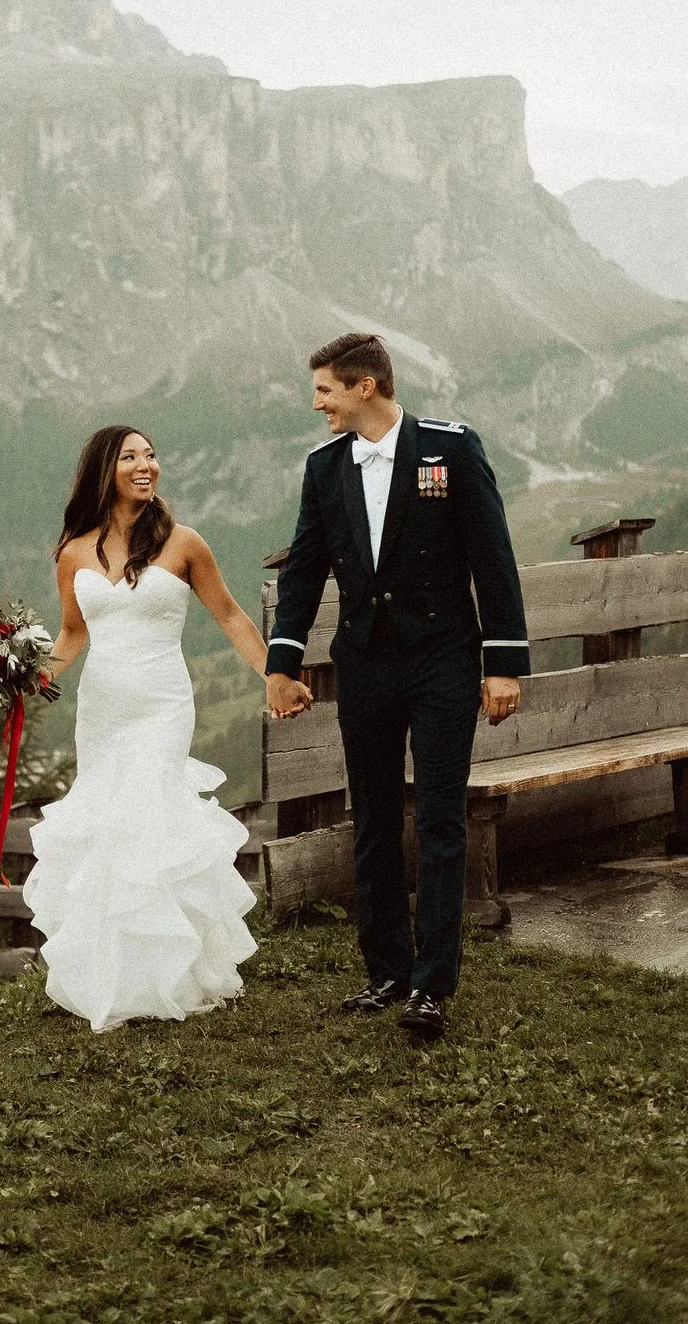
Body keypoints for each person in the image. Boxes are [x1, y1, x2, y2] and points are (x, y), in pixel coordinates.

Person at [265, 334, 529, 1039]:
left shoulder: (451, 448)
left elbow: (492, 555)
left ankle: (431, 986)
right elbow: (304, 569)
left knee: (440, 818)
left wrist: (503, 663)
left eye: (324, 389)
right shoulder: (324, 468)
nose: (316, 402)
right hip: (366, 664)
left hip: (444, 660)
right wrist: (281, 662)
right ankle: (386, 972)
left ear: (364, 388)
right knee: (374, 818)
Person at [23, 425, 266, 1033]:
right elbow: (74, 633)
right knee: (110, 826)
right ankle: (117, 974)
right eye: (131, 456)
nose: (146, 465)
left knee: (150, 818)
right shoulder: (73, 552)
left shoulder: (184, 543)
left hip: (162, 704)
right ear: (103, 470)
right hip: (102, 709)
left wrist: (275, 675)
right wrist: (31, 678)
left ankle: (177, 974)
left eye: (151, 455)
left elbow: (231, 614)